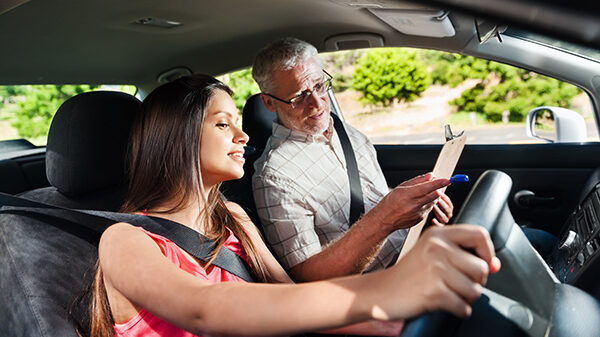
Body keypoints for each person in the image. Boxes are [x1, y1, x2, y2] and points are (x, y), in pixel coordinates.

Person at [84, 74, 500, 337]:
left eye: (240, 125)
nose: (244, 137)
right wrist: (387, 289)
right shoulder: (124, 241)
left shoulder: (232, 219)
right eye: (223, 123)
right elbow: (204, 309)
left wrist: (384, 321)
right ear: (177, 140)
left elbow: (291, 297)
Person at [252, 37, 455, 282]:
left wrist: (419, 203)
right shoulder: (274, 177)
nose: (317, 104)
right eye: (299, 96)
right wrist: (385, 218)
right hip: (379, 288)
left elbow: (370, 195)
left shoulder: (342, 130)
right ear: (269, 102)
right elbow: (309, 278)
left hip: (419, 254)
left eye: (319, 86)